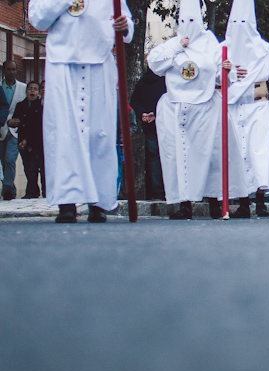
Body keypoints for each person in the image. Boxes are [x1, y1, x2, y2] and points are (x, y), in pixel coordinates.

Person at [29, 0, 134, 222]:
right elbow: (37, 19)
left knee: (99, 133)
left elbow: (126, 24)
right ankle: (66, 203)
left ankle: (98, 203)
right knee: (64, 134)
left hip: (100, 64)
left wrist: (123, 26)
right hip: (62, 65)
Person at [147, 0, 248, 219]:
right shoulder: (173, 45)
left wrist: (227, 70)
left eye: (192, 20)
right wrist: (177, 45)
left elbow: (222, 76)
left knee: (210, 156)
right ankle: (184, 204)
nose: (188, 25)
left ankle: (214, 201)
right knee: (180, 157)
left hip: (205, 108)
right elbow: (154, 64)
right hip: (176, 108)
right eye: (184, 21)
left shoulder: (211, 44)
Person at [222, 0, 269, 217]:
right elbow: (211, 80)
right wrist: (225, 70)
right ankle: (243, 202)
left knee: (258, 151)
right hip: (235, 106)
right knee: (239, 152)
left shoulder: (267, 50)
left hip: (259, 105)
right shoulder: (223, 49)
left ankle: (261, 201)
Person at [130, 68, 167, 200]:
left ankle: (156, 192)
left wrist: (142, 114)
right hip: (166, 125)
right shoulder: (166, 81)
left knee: (153, 159)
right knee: (167, 158)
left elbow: (134, 101)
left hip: (149, 126)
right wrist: (156, 114)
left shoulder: (141, 82)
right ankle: (168, 190)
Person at [11, 81, 43, 199]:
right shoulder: (21, 105)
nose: (32, 91)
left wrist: (27, 140)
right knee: (28, 168)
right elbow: (16, 120)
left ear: (38, 92)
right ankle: (32, 191)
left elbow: (35, 125)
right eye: (30, 89)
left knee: (35, 167)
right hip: (22, 142)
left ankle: (37, 192)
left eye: (35, 89)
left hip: (36, 142)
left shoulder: (40, 106)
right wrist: (11, 122)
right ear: (26, 91)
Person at [0, 61, 26, 200]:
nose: (11, 72)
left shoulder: (23, 88)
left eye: (13, 69)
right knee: (4, 161)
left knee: (10, 159)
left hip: (15, 130)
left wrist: (17, 121)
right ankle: (10, 187)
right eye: (8, 69)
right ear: (3, 70)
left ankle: (7, 189)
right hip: (1, 128)